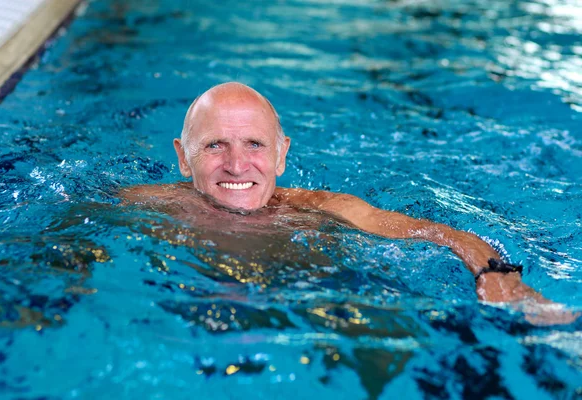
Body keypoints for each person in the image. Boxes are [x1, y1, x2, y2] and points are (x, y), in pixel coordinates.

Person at [121, 82, 577, 325]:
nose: (238, 166)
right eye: (215, 146)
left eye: (255, 145)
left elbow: (444, 234)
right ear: (183, 157)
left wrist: (499, 279)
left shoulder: (324, 209)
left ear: (282, 154)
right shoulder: (146, 207)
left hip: (315, 303)